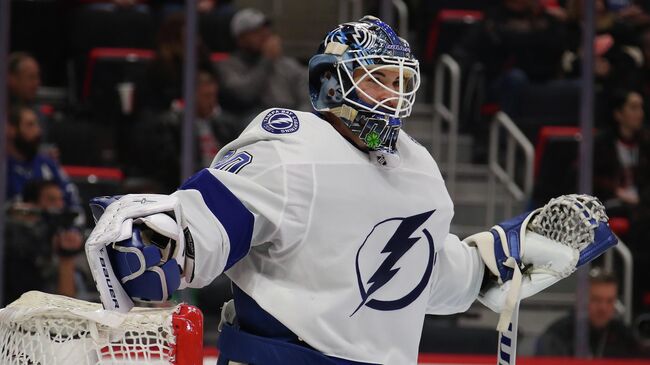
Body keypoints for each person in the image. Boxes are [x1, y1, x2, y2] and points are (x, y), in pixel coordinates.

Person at [85, 16, 616, 364]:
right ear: (331, 82)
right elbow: (211, 220)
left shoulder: (420, 167)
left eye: (401, 81)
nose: (395, 95)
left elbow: (418, 279)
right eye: (379, 79)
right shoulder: (291, 144)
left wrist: (493, 262)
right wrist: (163, 240)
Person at [216, 8, 310, 119]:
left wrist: (300, 120)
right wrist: (267, 60)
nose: (265, 35)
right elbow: (245, 95)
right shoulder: (229, 65)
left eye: (265, 30)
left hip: (292, 118)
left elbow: (307, 99)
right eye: (256, 32)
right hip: (255, 121)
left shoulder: (287, 64)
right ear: (240, 38)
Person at [4, 180, 84, 305]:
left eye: (60, 199)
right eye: (51, 200)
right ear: (30, 204)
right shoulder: (12, 234)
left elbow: (67, 300)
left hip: (49, 307)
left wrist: (66, 256)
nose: (59, 205)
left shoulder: (57, 236)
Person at [536, 268, 643, 357]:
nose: (603, 308)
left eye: (609, 301)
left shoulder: (624, 337)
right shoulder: (557, 335)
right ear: (580, 299)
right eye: (596, 299)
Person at [5, 104, 83, 223]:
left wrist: (73, 231)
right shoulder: (4, 167)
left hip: (50, 236)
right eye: (30, 125)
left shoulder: (48, 164)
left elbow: (73, 202)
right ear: (11, 130)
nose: (38, 131)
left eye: (37, 125)